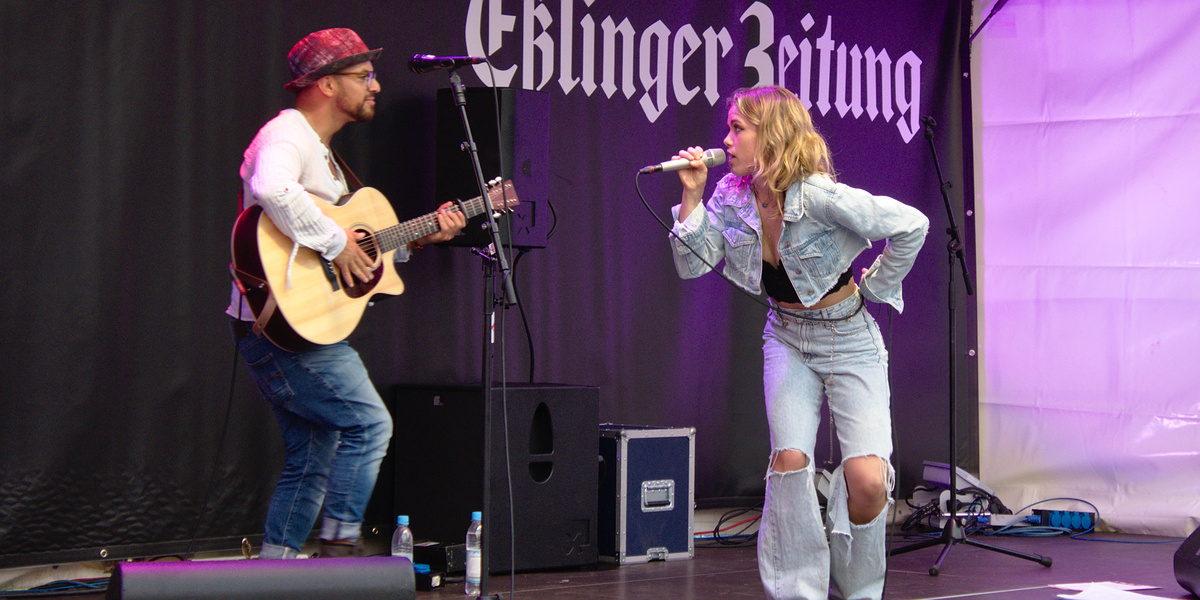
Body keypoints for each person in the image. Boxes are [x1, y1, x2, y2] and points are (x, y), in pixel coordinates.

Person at [668, 85, 929, 599]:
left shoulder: (822, 197)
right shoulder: (731, 195)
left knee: (869, 482)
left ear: (772, 135)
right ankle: (798, 592)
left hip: (850, 338)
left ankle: (858, 590)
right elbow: (690, 264)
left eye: (738, 128)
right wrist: (692, 196)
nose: (727, 139)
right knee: (789, 464)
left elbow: (912, 225)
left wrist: (875, 286)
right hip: (786, 338)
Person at [227, 28, 466, 559]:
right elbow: (271, 189)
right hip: (282, 325)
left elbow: (364, 252)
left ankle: (277, 570)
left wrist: (420, 237)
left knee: (314, 452)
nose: (376, 86)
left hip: (286, 325)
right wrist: (336, 243)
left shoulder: (325, 156)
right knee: (369, 423)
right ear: (326, 85)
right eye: (364, 77)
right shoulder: (286, 135)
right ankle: (340, 550)